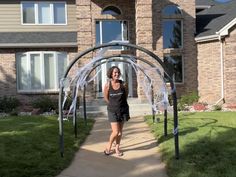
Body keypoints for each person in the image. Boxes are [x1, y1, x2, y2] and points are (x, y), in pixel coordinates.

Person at [103, 66, 130, 156]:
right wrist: (113, 104)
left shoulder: (124, 84)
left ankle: (117, 148)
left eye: (118, 72)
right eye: (115, 72)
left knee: (120, 132)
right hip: (112, 110)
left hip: (123, 109)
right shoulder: (107, 85)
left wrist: (120, 104)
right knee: (116, 132)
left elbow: (125, 96)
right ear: (111, 74)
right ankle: (109, 147)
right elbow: (106, 98)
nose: (117, 74)